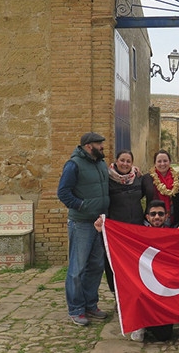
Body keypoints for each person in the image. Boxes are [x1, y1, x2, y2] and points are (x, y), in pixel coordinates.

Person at [94, 200, 175, 342]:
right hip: (144, 286)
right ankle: (140, 323)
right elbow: (116, 247)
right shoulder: (137, 235)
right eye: (153, 214)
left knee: (164, 336)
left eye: (160, 214)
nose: (157, 217)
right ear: (147, 217)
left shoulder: (173, 234)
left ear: (166, 216)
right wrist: (103, 233)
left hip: (164, 288)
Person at [57, 131, 110, 326]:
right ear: (89, 146)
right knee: (77, 269)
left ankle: (90, 304)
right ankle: (76, 309)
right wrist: (82, 206)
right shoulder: (74, 165)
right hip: (81, 224)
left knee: (96, 266)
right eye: (99, 144)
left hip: (99, 224)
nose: (103, 147)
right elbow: (63, 192)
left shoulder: (100, 163)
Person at [103, 149, 145, 293]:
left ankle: (134, 294)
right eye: (122, 160)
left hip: (135, 229)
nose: (125, 164)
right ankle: (117, 294)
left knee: (134, 264)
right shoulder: (107, 180)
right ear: (116, 161)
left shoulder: (138, 178)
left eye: (128, 161)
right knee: (114, 264)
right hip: (117, 230)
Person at [142, 149, 179, 227]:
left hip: (173, 220)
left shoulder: (178, 178)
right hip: (152, 220)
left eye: (165, 161)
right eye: (159, 161)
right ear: (155, 163)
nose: (162, 164)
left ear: (169, 162)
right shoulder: (147, 178)